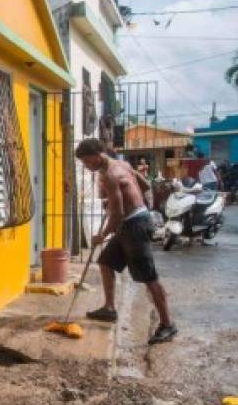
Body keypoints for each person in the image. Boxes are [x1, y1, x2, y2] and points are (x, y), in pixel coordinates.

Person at [75, 139, 177, 345]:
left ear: (96, 155)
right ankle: (109, 308)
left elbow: (119, 213)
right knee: (105, 262)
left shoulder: (109, 175)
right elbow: (146, 185)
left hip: (134, 226)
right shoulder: (123, 164)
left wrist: (101, 235)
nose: (87, 167)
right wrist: (122, 201)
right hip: (132, 221)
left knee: (149, 277)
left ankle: (167, 324)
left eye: (86, 162)